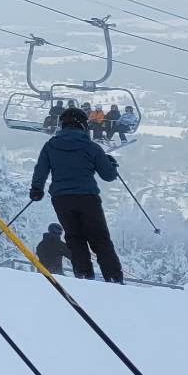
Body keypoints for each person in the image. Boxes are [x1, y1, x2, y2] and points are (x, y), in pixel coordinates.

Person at [30, 104, 124, 283]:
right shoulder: (92, 147)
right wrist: (112, 164)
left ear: (62, 125)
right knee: (100, 239)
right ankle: (113, 279)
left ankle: (83, 277)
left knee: (74, 238)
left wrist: (36, 190)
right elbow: (109, 176)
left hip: (61, 199)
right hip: (87, 198)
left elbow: (40, 170)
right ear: (83, 125)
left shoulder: (51, 146)